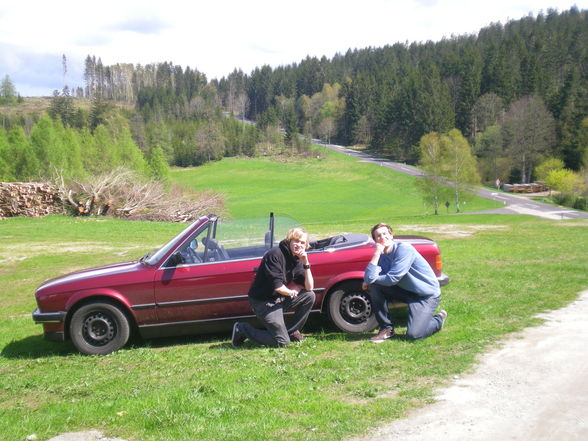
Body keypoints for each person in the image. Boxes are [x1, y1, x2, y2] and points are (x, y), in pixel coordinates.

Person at [231, 227, 316, 347]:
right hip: (264, 302)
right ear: (289, 240)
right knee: (282, 342)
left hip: (279, 298)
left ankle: (291, 332)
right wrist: (291, 292)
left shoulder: (297, 259)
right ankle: (242, 329)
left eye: (302, 242)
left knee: (309, 296)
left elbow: (309, 288)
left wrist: (306, 263)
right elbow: (278, 287)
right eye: (296, 241)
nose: (299, 245)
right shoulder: (275, 255)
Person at [362, 222, 447, 343]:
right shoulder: (380, 255)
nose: (382, 238)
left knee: (414, 334)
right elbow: (369, 277)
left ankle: (438, 319)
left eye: (385, 234)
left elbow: (392, 279)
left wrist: (370, 279)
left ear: (391, 235)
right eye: (378, 236)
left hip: (425, 295)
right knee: (375, 286)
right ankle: (386, 329)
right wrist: (376, 254)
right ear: (375, 240)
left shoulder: (404, 249)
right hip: (406, 291)